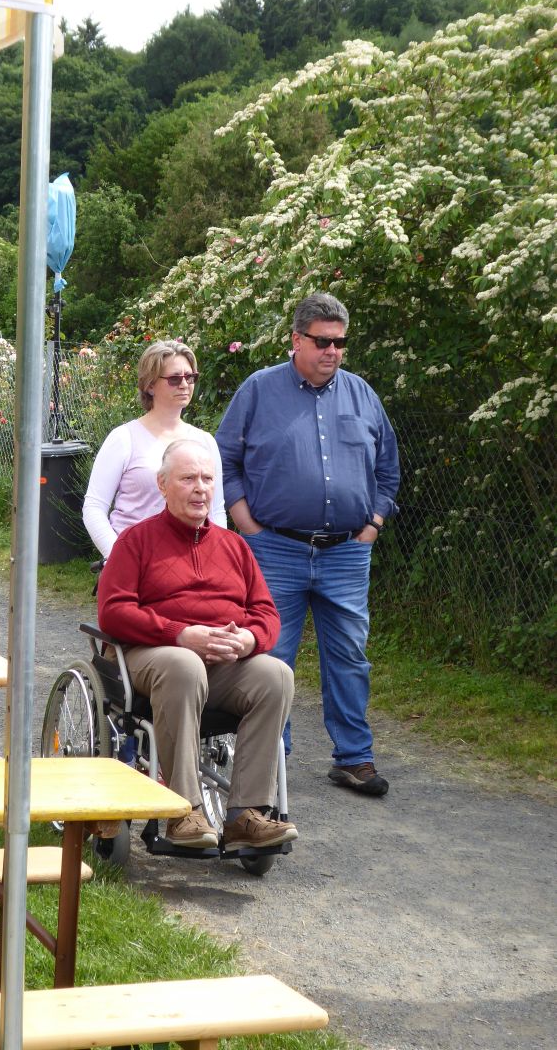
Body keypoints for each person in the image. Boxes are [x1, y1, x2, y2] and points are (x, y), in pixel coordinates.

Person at [216, 293, 400, 797]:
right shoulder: (259, 390)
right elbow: (223, 459)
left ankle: (354, 758)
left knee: (350, 656)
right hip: (275, 548)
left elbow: (388, 468)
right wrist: (245, 523)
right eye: (322, 342)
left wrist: (373, 525)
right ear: (296, 340)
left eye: (340, 342)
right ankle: (271, 761)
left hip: (346, 551)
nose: (333, 351)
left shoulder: (362, 395)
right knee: (271, 657)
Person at [97, 440, 298, 851]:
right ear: (162, 484)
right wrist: (180, 634)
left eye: (207, 479)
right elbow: (113, 612)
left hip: (222, 663)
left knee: (276, 675)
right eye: (188, 478)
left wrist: (248, 639)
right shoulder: (135, 541)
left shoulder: (234, 546)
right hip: (153, 655)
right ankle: (183, 810)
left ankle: (245, 815)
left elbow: (266, 613)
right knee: (185, 666)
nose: (200, 488)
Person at [83, 339, 226, 559]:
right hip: (135, 560)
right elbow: (93, 507)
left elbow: (216, 511)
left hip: (190, 563)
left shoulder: (205, 442)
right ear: (150, 385)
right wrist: (119, 558)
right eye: (174, 378)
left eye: (190, 377)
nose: (184, 384)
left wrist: (214, 556)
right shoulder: (124, 438)